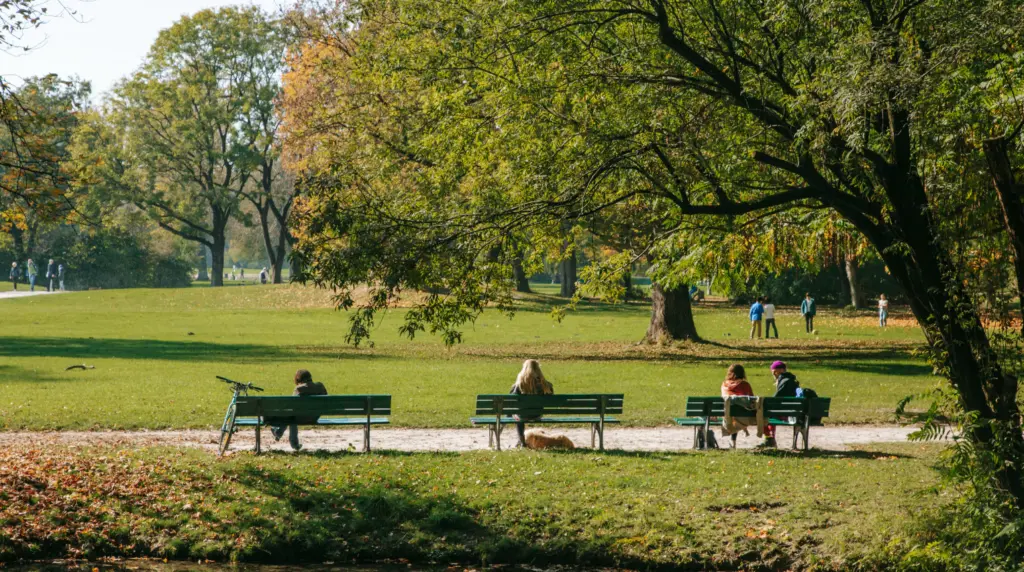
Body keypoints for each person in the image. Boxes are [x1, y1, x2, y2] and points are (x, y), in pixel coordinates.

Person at [270, 369, 328, 451]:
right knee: (293, 415)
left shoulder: (299, 389)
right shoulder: (320, 386)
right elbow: (326, 400)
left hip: (300, 418)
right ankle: (292, 443)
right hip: (315, 417)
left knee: (292, 415)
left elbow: (291, 406)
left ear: (299, 379)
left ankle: (279, 432)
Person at [510, 359, 554, 448]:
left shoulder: (519, 384)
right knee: (517, 414)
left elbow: (512, 399)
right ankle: (521, 441)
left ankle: (521, 441)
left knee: (515, 415)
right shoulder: (545, 384)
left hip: (522, 416)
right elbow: (552, 396)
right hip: (537, 414)